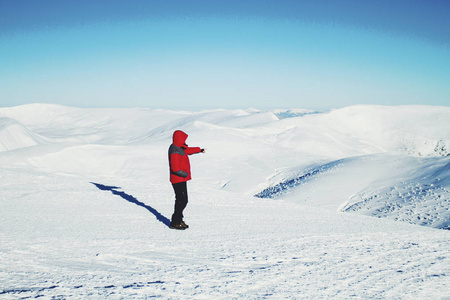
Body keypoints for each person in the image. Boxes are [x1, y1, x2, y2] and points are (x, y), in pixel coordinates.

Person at [168, 130, 205, 230]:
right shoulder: (175, 150)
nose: (185, 141)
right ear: (179, 139)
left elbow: (188, 150)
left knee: (183, 200)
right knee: (182, 200)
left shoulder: (179, 148)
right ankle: (175, 222)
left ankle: (178, 219)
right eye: (183, 139)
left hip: (181, 178)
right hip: (178, 179)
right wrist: (185, 174)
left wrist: (199, 150)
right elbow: (175, 168)